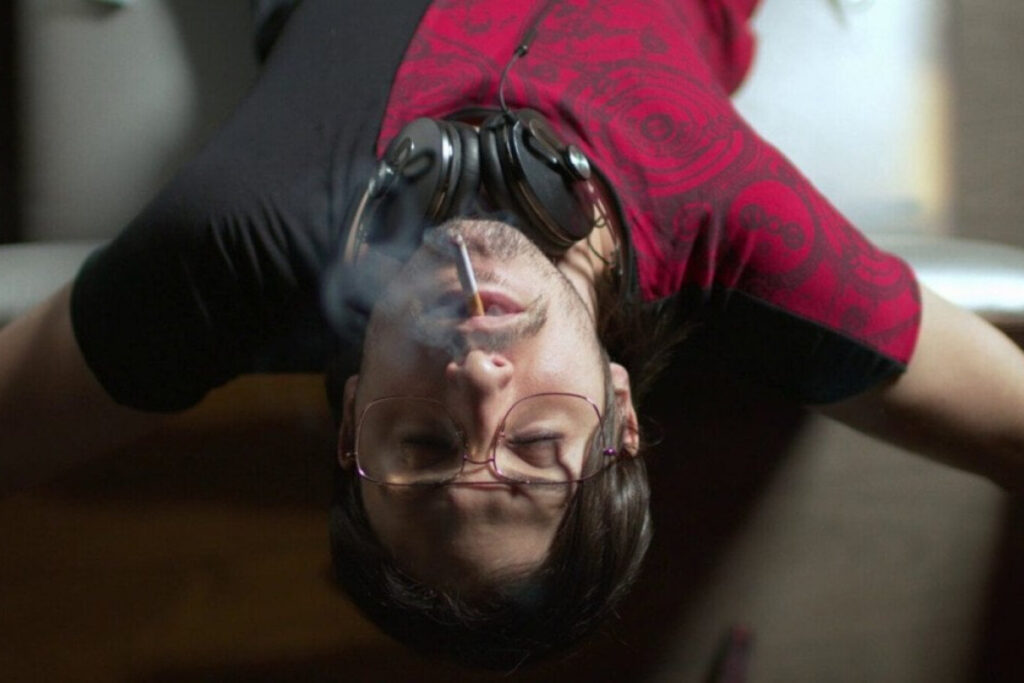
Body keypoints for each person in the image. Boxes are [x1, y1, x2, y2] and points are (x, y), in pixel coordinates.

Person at [2, 0, 1023, 671]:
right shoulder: (741, 233)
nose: (481, 380)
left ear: (356, 415)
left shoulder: (234, 246)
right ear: (619, 409)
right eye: (536, 445)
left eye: (425, 443)